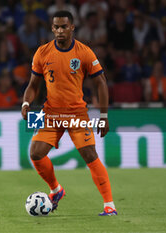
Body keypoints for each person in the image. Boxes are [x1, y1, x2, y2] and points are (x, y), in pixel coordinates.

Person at [21, 11, 116, 216]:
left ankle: (109, 205)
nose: (60, 31)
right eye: (56, 27)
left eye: (64, 26)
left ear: (72, 27)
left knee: (90, 155)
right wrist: (26, 103)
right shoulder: (42, 53)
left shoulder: (84, 52)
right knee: (35, 153)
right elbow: (33, 85)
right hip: (51, 113)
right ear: (52, 28)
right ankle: (56, 190)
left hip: (77, 114)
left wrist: (104, 116)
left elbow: (101, 82)